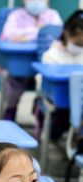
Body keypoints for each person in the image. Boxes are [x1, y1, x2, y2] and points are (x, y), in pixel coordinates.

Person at [0, 0, 62, 120]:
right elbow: (9, 34)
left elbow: (58, 35)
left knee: (51, 83)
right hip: (22, 64)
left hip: (48, 64)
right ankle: (11, 109)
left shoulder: (53, 15)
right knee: (16, 80)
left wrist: (25, 35)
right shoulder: (16, 15)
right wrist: (40, 32)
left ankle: (41, 110)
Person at [37, 9, 83, 140]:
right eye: (77, 44)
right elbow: (42, 81)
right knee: (56, 129)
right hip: (61, 103)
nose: (80, 47)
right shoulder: (52, 55)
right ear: (66, 34)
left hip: (80, 102)